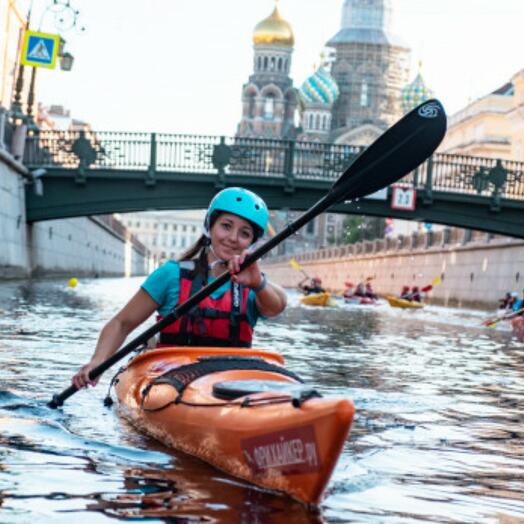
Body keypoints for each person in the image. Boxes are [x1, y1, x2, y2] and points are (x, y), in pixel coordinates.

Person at [72, 187, 287, 389]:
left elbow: (277, 306)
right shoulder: (172, 274)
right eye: (226, 226)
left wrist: (258, 283)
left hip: (230, 382)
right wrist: (97, 362)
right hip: (171, 379)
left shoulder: (253, 283)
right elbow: (121, 323)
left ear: (251, 242)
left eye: (244, 233)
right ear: (210, 227)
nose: (232, 238)